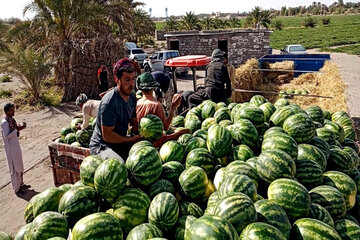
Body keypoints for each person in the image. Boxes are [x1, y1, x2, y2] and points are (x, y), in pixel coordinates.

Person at [89, 58, 142, 162]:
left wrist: (140, 135)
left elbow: (133, 121)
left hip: (120, 141)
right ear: (117, 79)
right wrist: (130, 140)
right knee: (119, 165)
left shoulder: (132, 96)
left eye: (133, 78)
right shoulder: (109, 102)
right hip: (102, 146)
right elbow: (107, 136)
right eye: (127, 79)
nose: (131, 84)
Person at [1, 103, 29, 195]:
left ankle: (21, 184)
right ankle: (16, 189)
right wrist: (17, 129)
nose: (14, 112)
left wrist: (19, 128)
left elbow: (13, 130)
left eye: (14, 110)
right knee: (14, 169)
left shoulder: (11, 119)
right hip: (11, 149)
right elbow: (6, 136)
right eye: (12, 110)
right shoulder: (5, 122)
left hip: (16, 146)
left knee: (19, 166)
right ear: (7, 111)